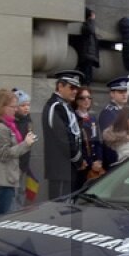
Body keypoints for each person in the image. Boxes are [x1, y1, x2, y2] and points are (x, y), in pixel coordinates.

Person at [0, 88, 38, 216]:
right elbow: (4, 154)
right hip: (0, 181)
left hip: (7, 179)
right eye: (13, 106)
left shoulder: (8, 125)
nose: (16, 109)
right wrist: (26, 143)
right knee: (1, 220)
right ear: (1, 108)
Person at [41, 69, 85, 198]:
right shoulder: (55, 106)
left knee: (67, 205)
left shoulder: (65, 105)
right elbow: (63, 138)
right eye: (72, 87)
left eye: (77, 88)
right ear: (60, 86)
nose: (75, 91)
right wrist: (78, 159)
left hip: (68, 167)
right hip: (60, 167)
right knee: (59, 206)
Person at [72, 86, 103, 187]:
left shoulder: (92, 118)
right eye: (82, 98)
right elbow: (76, 144)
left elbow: (97, 141)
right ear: (76, 100)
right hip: (82, 164)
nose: (86, 100)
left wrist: (99, 160)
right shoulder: (74, 118)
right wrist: (90, 163)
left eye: (89, 98)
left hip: (95, 163)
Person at [97, 77, 129, 169]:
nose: (124, 95)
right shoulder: (108, 112)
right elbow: (110, 138)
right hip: (115, 157)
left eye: (125, 91)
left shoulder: (125, 110)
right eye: (120, 92)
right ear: (112, 94)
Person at [76, 8, 100, 85]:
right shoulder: (87, 25)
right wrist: (91, 19)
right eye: (92, 15)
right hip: (87, 54)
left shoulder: (87, 24)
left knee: (88, 75)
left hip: (89, 54)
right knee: (86, 76)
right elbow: (91, 30)